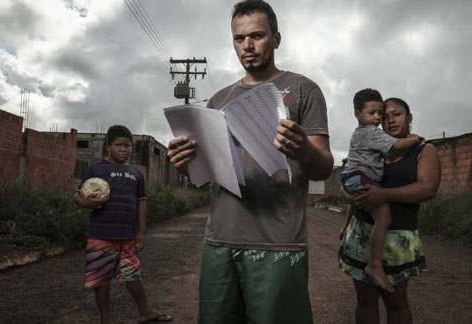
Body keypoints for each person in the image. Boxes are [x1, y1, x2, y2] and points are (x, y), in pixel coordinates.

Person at [167, 1, 333, 323]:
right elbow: (205, 172)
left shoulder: (303, 90)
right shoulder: (218, 100)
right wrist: (184, 163)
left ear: (276, 38)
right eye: (239, 38)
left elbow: (324, 165)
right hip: (219, 239)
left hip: (279, 241)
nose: (247, 46)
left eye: (256, 35)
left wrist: (305, 151)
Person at [338, 97, 441, 324]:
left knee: (396, 301)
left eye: (397, 114)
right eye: (385, 116)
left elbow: (428, 188)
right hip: (362, 234)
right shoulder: (373, 147)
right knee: (365, 300)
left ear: (409, 117)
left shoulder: (423, 149)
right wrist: (352, 199)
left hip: (399, 237)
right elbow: (347, 187)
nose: (390, 120)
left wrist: (382, 195)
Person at [74, 125, 172, 324]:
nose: (123, 149)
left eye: (127, 145)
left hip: (127, 236)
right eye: (118, 144)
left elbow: (141, 203)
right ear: (108, 146)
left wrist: (141, 232)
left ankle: (145, 311)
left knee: (133, 274)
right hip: (101, 235)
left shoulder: (135, 173)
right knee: (101, 278)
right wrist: (85, 202)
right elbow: (78, 195)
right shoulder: (97, 168)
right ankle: (105, 319)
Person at [340, 89, 420, 293]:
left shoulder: (364, 134)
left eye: (380, 114)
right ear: (358, 114)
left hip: (354, 178)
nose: (378, 118)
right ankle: (375, 264)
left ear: (408, 117)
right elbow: (399, 145)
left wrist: (345, 225)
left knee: (367, 203)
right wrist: (415, 138)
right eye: (374, 113)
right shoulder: (372, 133)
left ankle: (371, 260)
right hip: (359, 178)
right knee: (383, 217)